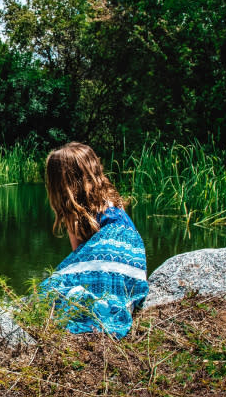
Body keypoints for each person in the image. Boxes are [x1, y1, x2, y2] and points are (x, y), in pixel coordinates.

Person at [38, 142, 148, 338]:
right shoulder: (112, 201)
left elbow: (78, 255)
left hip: (105, 250)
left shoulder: (73, 211)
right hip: (134, 258)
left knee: (56, 286)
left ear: (58, 183)